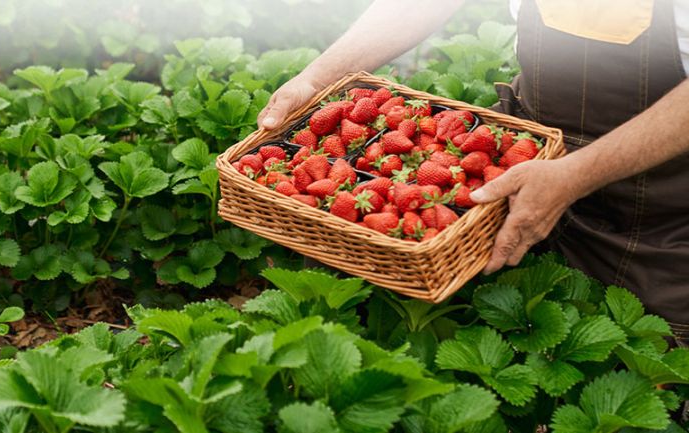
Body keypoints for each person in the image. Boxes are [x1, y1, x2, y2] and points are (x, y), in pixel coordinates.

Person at [257, 0, 689, 345]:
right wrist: (317, 80)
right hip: (520, 166)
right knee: (506, 331)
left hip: (659, 206)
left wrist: (574, 174)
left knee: (641, 359)